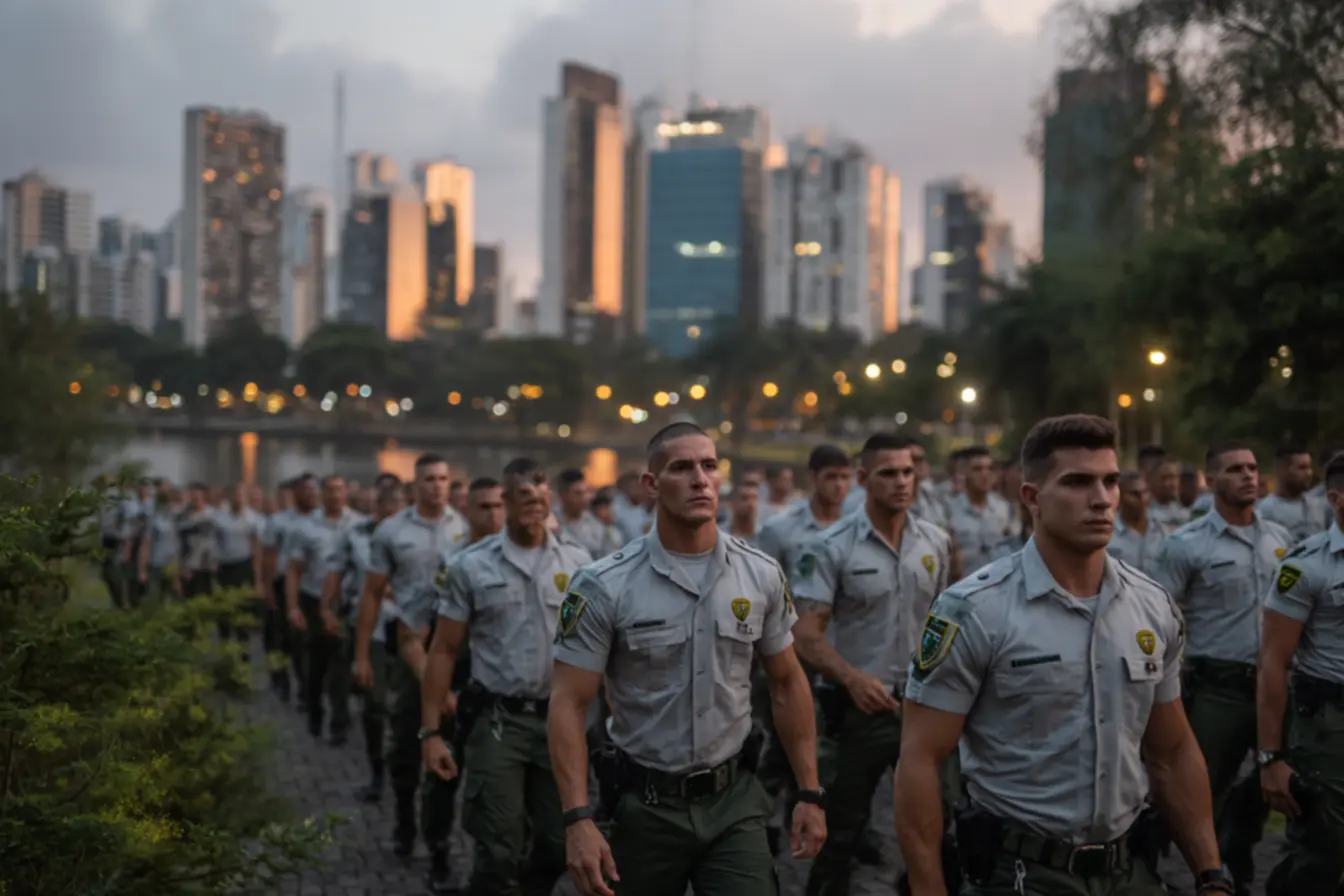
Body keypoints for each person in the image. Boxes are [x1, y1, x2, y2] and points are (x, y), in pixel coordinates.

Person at [894, 413, 1231, 896]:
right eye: (1077, 482)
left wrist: (1211, 874)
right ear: (1032, 497)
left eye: (1110, 481)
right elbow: (921, 759)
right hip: (1022, 873)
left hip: (1128, 870)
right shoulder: (974, 610)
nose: (1102, 498)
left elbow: (1171, 752)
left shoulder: (1151, 606)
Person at [548, 421, 827, 896]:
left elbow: (786, 682)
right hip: (645, 806)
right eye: (681, 468)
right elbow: (569, 703)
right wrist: (577, 819)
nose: (700, 479)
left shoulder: (759, 574)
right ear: (651, 485)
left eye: (709, 466)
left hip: (733, 801)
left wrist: (809, 792)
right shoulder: (603, 585)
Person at [420, 458, 592, 895]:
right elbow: (443, 649)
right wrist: (431, 733)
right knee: (497, 846)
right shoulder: (471, 566)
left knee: (558, 842)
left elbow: (596, 643)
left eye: (540, 495)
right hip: (498, 722)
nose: (534, 503)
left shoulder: (578, 564)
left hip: (559, 721)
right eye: (524, 496)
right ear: (507, 501)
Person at [791, 432, 951, 896]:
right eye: (888, 474)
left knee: (941, 822)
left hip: (923, 708)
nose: (901, 482)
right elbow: (804, 635)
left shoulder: (935, 542)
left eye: (908, 472)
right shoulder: (830, 547)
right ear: (862, 479)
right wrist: (852, 678)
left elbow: (943, 621)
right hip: (858, 709)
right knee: (841, 829)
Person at [1151, 442, 1292, 894]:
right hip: (1218, 688)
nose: (1248, 476)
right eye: (1235, 470)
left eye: (1252, 467)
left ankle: (1237, 856)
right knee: (1195, 791)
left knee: (1279, 779)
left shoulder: (1279, 539)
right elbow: (1157, 616)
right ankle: (1156, 870)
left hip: (1274, 687)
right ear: (1211, 481)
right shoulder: (1185, 545)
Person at [351, 453, 468, 861]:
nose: (437, 486)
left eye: (443, 479)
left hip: (454, 644)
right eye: (429, 479)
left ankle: (438, 842)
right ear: (414, 485)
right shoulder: (392, 531)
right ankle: (404, 816)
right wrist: (362, 655)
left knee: (447, 739)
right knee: (404, 734)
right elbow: (371, 593)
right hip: (408, 643)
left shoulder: (464, 527)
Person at [1258, 454, 1344, 895]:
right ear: (1336, 499)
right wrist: (1270, 758)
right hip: (1328, 727)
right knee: (1324, 849)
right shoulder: (1305, 566)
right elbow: (1273, 662)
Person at [325, 480, 405, 804]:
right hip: (371, 627)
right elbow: (335, 572)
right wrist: (327, 608)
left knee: (407, 705)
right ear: (378, 508)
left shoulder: (419, 536)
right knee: (374, 704)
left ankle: (406, 767)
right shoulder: (356, 535)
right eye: (386, 506)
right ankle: (377, 771)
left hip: (410, 627)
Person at [286, 475, 361, 744]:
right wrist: (293, 607)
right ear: (322, 493)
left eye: (340, 489)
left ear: (346, 492)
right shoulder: (306, 527)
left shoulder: (359, 525)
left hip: (345, 603)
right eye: (330, 490)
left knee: (341, 663)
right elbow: (294, 570)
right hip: (313, 598)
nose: (335, 495)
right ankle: (315, 709)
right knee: (316, 664)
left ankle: (340, 722)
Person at [947, 446, 1017, 577]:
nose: (985, 475)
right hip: (965, 583)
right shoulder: (950, 511)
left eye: (989, 469)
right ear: (965, 473)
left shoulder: (1004, 508)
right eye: (977, 469)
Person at [213, 483, 266, 643]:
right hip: (225, 567)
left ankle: (243, 647)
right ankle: (224, 644)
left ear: (246, 497)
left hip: (244, 566)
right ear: (230, 498)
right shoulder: (220, 518)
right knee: (224, 609)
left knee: (243, 608)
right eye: (235, 495)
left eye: (241, 495)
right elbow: (215, 543)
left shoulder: (253, 518)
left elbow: (257, 549)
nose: (238, 498)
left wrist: (257, 579)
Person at [1257, 445, 1328, 544]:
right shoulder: (1264, 511)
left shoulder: (1320, 506)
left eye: (1309, 467)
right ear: (1281, 470)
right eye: (1302, 468)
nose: (1309, 473)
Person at [1107, 470, 1167, 574]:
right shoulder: (1109, 532)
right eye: (1134, 494)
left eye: (1145, 492)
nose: (1142, 499)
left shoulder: (1161, 530)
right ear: (1120, 496)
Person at [555, 468, 620, 560]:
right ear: (563, 495)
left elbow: (609, 556)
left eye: (587, 492)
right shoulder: (552, 522)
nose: (585, 498)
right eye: (578, 493)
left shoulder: (597, 524)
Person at [177, 482, 218, 599]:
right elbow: (179, 544)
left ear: (203, 495)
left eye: (197, 495)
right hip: (189, 566)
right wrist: (181, 567)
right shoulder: (182, 517)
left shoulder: (214, 515)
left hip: (209, 566)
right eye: (192, 495)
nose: (195, 498)